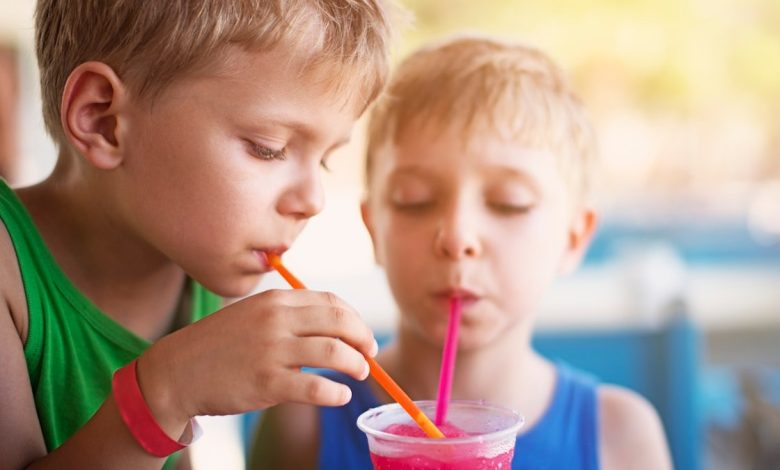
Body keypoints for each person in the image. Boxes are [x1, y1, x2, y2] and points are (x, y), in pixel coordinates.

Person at [0, 1, 400, 468]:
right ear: (103, 120)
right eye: (268, 148)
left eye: (326, 158)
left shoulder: (195, 266)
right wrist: (166, 393)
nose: (313, 200)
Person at [252, 35, 672, 469]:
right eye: (414, 200)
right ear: (373, 226)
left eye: (509, 202)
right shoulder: (304, 423)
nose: (456, 236)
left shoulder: (619, 437)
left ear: (573, 238)